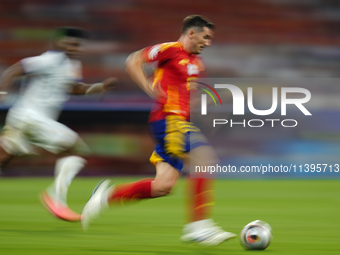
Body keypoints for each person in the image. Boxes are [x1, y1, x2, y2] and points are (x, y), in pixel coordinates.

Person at [81, 15, 236, 246]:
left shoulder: (196, 63)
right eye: (206, 37)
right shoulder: (169, 50)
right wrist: (149, 88)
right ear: (191, 33)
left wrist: (216, 102)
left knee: (163, 186)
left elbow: (192, 97)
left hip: (180, 122)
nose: (209, 43)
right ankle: (198, 226)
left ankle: (106, 196)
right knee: (205, 159)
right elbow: (133, 60)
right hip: (167, 120)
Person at [0, 27, 118, 222]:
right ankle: (56, 198)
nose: (74, 48)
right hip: (31, 118)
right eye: (70, 43)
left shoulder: (71, 64)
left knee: (4, 159)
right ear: (57, 43)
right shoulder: (49, 60)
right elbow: (15, 70)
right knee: (77, 150)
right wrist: (2, 94)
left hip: (25, 119)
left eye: (77, 45)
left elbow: (73, 88)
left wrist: (99, 87)